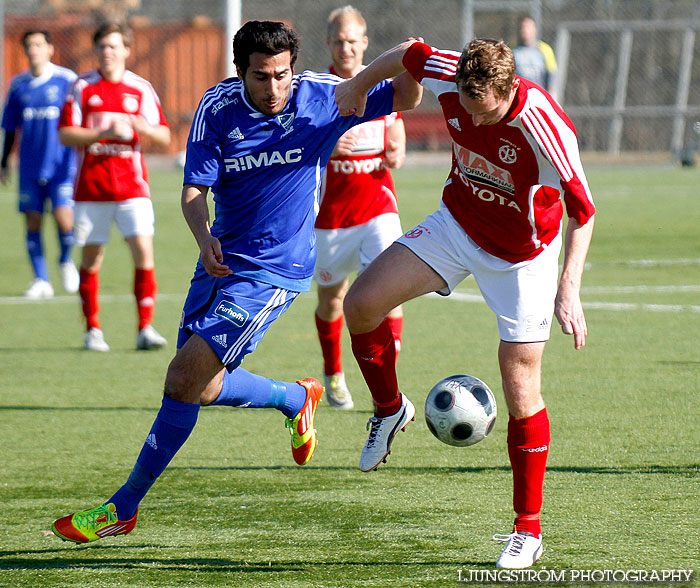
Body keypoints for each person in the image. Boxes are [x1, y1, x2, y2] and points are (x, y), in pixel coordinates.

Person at [51, 20, 422, 544]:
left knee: (181, 377)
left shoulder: (320, 98)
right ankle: (295, 398)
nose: (274, 89)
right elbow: (192, 191)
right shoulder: (217, 107)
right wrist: (203, 237)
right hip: (220, 259)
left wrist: (399, 61)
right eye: (260, 77)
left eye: (282, 75)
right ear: (239, 72)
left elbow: (406, 95)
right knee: (201, 387)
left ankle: (123, 508)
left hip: (276, 271)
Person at [336, 38, 595, 569]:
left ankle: (527, 531)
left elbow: (583, 213)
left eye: (484, 113)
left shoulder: (544, 125)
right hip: (455, 225)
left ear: (508, 92)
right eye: (465, 106)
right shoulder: (453, 73)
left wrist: (568, 287)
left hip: (524, 255)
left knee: (520, 383)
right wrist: (359, 86)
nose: (473, 124)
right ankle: (389, 410)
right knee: (361, 304)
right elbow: (407, 52)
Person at [314, 6, 406, 409]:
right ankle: (333, 373)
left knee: (390, 292)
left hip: (378, 206)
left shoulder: (379, 83)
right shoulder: (315, 89)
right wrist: (327, 144)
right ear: (329, 43)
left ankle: (387, 376)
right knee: (332, 300)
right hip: (330, 217)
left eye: (353, 41)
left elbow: (396, 120)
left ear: (365, 43)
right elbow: (295, 144)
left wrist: (397, 143)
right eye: (339, 41)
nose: (346, 48)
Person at [58, 23, 171, 352]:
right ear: (95, 51)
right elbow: (66, 133)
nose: (107, 52)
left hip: (132, 188)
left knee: (144, 254)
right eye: (102, 46)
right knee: (92, 259)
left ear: (126, 50)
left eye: (113, 46)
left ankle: (145, 328)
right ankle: (92, 329)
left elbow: (164, 135)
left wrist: (141, 126)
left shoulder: (141, 88)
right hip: (91, 189)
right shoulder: (82, 87)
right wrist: (102, 133)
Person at [1, 30, 79, 299]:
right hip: (30, 167)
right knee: (32, 221)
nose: (33, 49)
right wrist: (4, 162)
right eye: (29, 45)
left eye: (38, 44)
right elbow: (11, 127)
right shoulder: (18, 85)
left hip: (62, 165)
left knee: (64, 219)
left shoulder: (66, 80)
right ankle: (41, 280)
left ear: (50, 48)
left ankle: (66, 261)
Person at [512, 16, 558, 98]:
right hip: (517, 97)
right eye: (522, 27)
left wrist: (552, 97)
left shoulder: (544, 49)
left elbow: (551, 76)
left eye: (528, 27)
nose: (524, 30)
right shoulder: (511, 50)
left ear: (535, 30)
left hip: (538, 97)